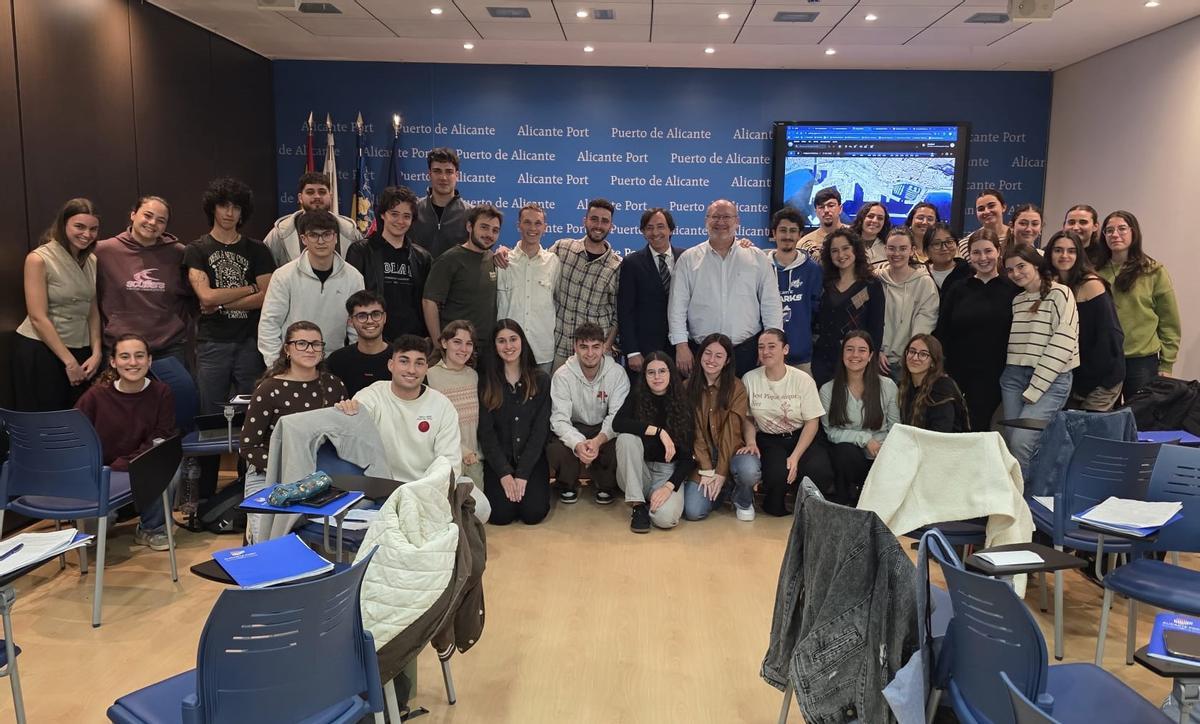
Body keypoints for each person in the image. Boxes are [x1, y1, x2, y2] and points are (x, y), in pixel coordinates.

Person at [241, 321, 347, 542]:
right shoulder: (269, 389)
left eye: (316, 344)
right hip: (269, 476)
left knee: (326, 541)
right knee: (269, 546)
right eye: (301, 344)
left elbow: (342, 435)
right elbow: (248, 446)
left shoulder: (334, 385)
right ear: (287, 349)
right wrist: (287, 469)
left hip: (319, 478)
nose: (310, 349)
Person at [184, 176, 275, 422]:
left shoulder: (258, 250)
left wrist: (220, 303)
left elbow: (267, 297)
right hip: (212, 343)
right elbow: (205, 295)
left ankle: (251, 461)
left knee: (253, 412)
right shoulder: (196, 249)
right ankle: (212, 462)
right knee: (211, 413)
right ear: (213, 207)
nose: (230, 212)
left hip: (250, 342)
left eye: (236, 207)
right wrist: (249, 287)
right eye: (224, 205)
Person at [76, 334, 176, 550]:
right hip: (100, 472)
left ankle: (151, 529)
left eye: (139, 356)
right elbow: (76, 437)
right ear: (113, 362)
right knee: (92, 540)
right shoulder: (95, 396)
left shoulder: (161, 393)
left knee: (168, 464)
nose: (132, 363)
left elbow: (161, 436)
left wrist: (123, 465)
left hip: (139, 464)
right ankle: (106, 518)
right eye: (124, 356)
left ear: (149, 361)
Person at [669, 199, 784, 377]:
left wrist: (770, 347)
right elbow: (677, 307)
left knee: (744, 403)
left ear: (737, 221)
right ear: (706, 221)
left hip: (746, 351)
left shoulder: (757, 258)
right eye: (715, 217)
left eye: (727, 217)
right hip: (701, 352)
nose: (720, 222)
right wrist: (681, 346)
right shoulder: (688, 259)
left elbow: (771, 304)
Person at [14, 198, 103, 411]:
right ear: (64, 225)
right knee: (45, 418)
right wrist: (69, 363)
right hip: (43, 350)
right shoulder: (39, 259)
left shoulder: (91, 260)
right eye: (79, 227)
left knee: (77, 415)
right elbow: (37, 316)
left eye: (93, 229)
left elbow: (91, 310)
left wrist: (97, 352)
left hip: (80, 349)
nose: (87, 234)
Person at [733, 329, 834, 516]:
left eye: (772, 346)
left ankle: (809, 508)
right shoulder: (750, 378)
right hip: (769, 439)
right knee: (777, 476)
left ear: (785, 349)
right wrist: (751, 442)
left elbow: (812, 422)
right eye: (761, 347)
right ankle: (776, 504)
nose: (766, 352)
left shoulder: (802, 379)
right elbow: (748, 418)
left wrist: (795, 457)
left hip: (800, 435)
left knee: (818, 470)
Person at [338, 334, 462, 483]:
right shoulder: (372, 396)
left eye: (419, 363)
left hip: (425, 489)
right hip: (380, 487)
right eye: (404, 361)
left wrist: (426, 492)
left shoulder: (442, 406)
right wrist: (346, 413)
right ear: (391, 365)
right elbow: (352, 428)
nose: (411, 370)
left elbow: (449, 463)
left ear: (426, 368)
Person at [1000, 245, 1079, 478]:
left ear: (1036, 264)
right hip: (1014, 377)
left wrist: (1035, 388)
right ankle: (1021, 499)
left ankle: (1025, 504)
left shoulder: (1060, 293)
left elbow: (1063, 342)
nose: (1015, 273)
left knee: (1022, 442)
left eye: (1021, 266)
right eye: (1010, 269)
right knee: (1013, 442)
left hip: (1050, 379)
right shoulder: (1018, 300)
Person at [934, 229, 1019, 433]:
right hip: (956, 373)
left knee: (980, 429)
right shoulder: (957, 288)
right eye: (976, 253)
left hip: (995, 376)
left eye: (988, 251)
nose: (983, 258)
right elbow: (942, 330)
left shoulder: (1013, 290)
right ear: (968, 256)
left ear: (998, 252)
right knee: (951, 428)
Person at [258, 209, 365, 366]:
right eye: (314, 235)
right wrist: (275, 365)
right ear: (303, 239)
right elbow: (269, 323)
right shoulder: (283, 276)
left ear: (335, 237)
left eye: (327, 234)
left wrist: (352, 362)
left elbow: (356, 327)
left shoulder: (354, 277)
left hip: (336, 362)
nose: (321, 241)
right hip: (293, 363)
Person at [94, 195, 192, 363]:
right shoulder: (103, 251)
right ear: (133, 215)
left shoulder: (180, 254)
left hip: (168, 349)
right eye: (147, 215)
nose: (153, 223)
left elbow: (194, 299)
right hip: (119, 349)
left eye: (161, 220)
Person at [1095, 210, 1181, 398]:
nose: (1115, 234)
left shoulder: (1153, 271)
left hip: (1141, 361)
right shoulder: (1095, 272)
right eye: (1109, 230)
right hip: (1104, 359)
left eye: (1122, 229)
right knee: (1103, 420)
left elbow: (1169, 321)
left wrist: (1167, 364)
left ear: (1134, 233)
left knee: (1140, 419)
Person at [477, 319, 552, 525]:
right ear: (494, 346)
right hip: (499, 461)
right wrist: (504, 473)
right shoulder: (486, 382)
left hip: (532, 461)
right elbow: (486, 433)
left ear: (522, 342)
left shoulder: (541, 380)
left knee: (533, 514)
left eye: (513, 339)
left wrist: (522, 474)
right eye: (501, 341)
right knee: (500, 516)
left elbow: (540, 432)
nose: (508, 346)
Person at [547, 322, 631, 505]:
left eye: (596, 347)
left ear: (603, 347)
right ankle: (567, 484)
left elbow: (617, 416)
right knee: (556, 446)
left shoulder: (617, 373)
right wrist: (577, 443)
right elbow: (559, 419)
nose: (590, 353)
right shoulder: (562, 375)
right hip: (575, 426)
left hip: (602, 427)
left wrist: (598, 440)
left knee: (621, 440)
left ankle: (605, 484)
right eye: (584, 347)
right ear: (575, 347)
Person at [1043, 230, 1125, 411]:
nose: (1064, 255)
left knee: (1088, 432)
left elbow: (1110, 337)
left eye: (1071, 251)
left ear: (1079, 254)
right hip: (1073, 378)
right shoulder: (1050, 285)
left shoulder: (1092, 284)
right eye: (1058, 250)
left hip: (1103, 377)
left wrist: (1096, 383)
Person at [613, 352, 695, 533]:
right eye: (651, 372)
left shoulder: (684, 404)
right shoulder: (637, 397)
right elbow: (617, 423)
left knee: (665, 519)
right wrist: (659, 432)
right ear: (645, 376)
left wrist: (668, 487)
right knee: (626, 438)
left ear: (670, 374)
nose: (657, 377)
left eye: (662, 371)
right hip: (637, 470)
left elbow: (688, 458)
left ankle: (652, 499)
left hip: (666, 474)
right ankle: (638, 505)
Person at [819, 331, 898, 505]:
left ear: (870, 356)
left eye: (862, 350)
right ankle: (844, 500)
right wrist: (864, 439)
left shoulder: (888, 386)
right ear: (842, 354)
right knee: (844, 452)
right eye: (849, 349)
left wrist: (882, 449)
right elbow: (831, 432)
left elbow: (896, 428)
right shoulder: (827, 390)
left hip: (880, 456)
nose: (855, 355)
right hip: (849, 459)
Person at [345, 185, 432, 342]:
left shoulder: (422, 257)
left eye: (406, 216)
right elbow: (351, 298)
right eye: (394, 214)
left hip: (412, 339)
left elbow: (426, 302)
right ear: (383, 215)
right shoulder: (361, 251)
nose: (400, 221)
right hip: (372, 338)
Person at [682, 334, 752, 522]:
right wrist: (706, 468)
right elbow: (693, 431)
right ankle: (722, 492)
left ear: (727, 360)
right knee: (693, 511)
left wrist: (720, 472)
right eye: (708, 353)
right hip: (700, 456)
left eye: (719, 356)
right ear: (700, 355)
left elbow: (733, 432)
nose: (711, 360)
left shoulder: (736, 387)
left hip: (731, 452)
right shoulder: (687, 386)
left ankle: (739, 494)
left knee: (749, 469)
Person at [549, 199, 622, 369]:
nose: (599, 225)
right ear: (585, 221)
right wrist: (505, 253)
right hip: (559, 348)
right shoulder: (562, 249)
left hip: (594, 354)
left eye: (605, 221)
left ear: (611, 226)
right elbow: (536, 262)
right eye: (594, 219)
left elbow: (618, 314)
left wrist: (606, 345)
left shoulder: (618, 265)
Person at [810, 228, 885, 387]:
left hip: (855, 360)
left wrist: (873, 356)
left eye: (845, 248)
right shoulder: (824, 282)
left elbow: (876, 327)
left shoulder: (871, 284)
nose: (840, 255)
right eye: (834, 251)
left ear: (855, 249)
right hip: (823, 360)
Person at [422, 205, 501, 347]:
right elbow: (429, 302)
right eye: (484, 227)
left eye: (495, 230)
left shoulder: (492, 258)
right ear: (469, 227)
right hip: (456, 347)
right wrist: (438, 344)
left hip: (487, 349)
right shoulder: (449, 259)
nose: (490, 234)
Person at [497, 203, 558, 373]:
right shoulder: (502, 261)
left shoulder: (554, 263)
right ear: (519, 226)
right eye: (527, 222)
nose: (533, 228)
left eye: (538, 223)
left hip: (542, 352)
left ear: (545, 228)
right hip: (507, 352)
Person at [617, 208, 680, 373]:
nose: (655, 232)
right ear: (643, 232)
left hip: (681, 350)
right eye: (649, 228)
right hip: (644, 353)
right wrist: (632, 351)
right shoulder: (631, 263)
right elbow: (625, 311)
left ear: (671, 229)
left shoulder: (687, 258)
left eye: (661, 226)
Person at [427, 320, 483, 492]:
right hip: (447, 457)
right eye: (457, 342)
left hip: (475, 458)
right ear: (444, 343)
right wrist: (461, 450)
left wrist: (473, 454)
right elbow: (433, 425)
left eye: (468, 344)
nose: (463, 349)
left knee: (479, 512)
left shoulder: (474, 376)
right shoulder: (430, 376)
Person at [263, 171, 363, 267]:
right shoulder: (280, 233)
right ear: (300, 197)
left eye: (322, 192)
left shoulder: (350, 231)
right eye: (310, 192)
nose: (317, 197)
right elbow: (265, 272)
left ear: (331, 196)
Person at [877, 227, 939, 380]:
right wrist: (876, 349)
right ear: (885, 249)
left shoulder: (924, 283)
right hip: (877, 359)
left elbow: (926, 321)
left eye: (903, 248)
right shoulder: (875, 279)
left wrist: (910, 354)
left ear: (912, 250)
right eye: (892, 248)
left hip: (908, 362)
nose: (897, 254)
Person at [767, 207, 823, 374]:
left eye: (793, 231)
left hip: (802, 356)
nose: (788, 236)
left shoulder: (813, 270)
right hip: (767, 355)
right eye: (783, 230)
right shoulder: (761, 267)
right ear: (774, 233)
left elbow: (817, 311)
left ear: (800, 235)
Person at [326, 290, 393, 397]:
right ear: (350, 321)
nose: (370, 321)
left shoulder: (401, 357)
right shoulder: (336, 360)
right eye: (362, 316)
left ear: (384, 317)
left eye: (376, 314)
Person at [410, 147, 473, 258]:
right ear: (429, 175)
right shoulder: (413, 210)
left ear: (457, 176)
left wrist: (500, 252)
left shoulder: (471, 214)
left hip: (457, 275)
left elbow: (483, 252)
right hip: (419, 275)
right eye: (437, 171)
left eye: (449, 172)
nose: (443, 177)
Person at [898, 333, 968, 432]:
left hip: (942, 444)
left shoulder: (943, 387)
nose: (915, 358)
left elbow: (941, 430)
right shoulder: (902, 385)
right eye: (912, 351)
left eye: (923, 354)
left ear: (933, 362)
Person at [959, 189, 1011, 258]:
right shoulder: (965, 244)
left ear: (1003, 207)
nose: (986, 211)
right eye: (981, 209)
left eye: (991, 206)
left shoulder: (1017, 237)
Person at [797, 186, 844, 261]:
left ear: (840, 208)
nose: (826, 210)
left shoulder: (856, 236)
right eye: (821, 207)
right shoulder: (804, 244)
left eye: (831, 206)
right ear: (816, 212)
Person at [923, 223, 971, 294]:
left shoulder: (969, 272)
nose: (944, 248)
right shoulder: (920, 274)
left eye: (949, 242)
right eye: (936, 243)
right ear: (926, 251)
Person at [853, 202, 893, 269]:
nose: (875, 221)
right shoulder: (848, 243)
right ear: (862, 218)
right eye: (870, 216)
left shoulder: (890, 246)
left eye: (880, 218)